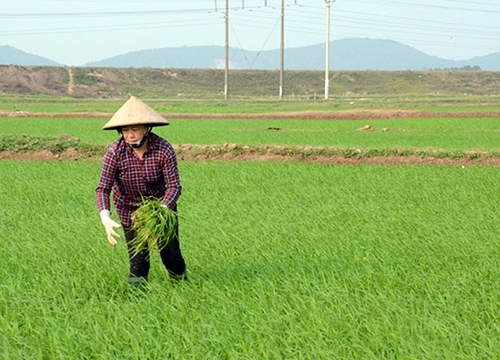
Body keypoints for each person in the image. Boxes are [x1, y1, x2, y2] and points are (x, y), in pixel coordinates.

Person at [95, 96, 187, 288]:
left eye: (135, 129)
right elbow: (103, 188)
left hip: (162, 211)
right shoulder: (115, 152)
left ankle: (183, 291)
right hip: (130, 211)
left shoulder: (163, 149)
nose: (130, 135)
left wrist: (160, 212)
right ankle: (137, 300)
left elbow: (174, 186)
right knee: (138, 263)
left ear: (146, 128)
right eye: (125, 130)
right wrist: (105, 217)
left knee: (171, 258)